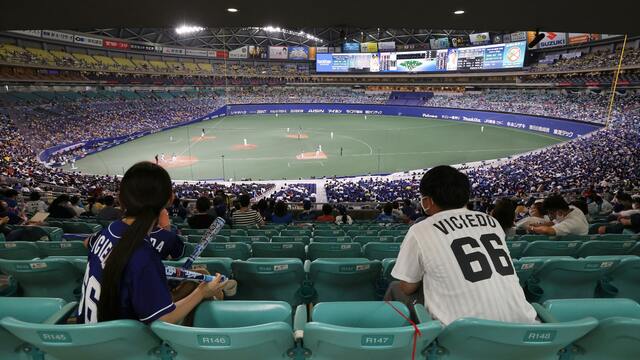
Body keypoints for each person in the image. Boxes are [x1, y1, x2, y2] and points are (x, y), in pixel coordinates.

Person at [78, 162, 227, 324]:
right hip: (120, 344)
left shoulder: (110, 230)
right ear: (170, 199)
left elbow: (90, 244)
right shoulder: (143, 255)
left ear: (121, 199)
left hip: (88, 336)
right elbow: (163, 319)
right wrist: (201, 292)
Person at [386, 165, 536, 325]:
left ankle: (393, 342)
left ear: (427, 201)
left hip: (464, 335)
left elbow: (407, 287)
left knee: (395, 287)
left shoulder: (420, 230)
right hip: (524, 327)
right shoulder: (491, 222)